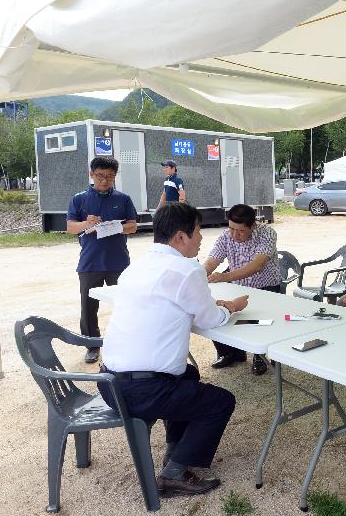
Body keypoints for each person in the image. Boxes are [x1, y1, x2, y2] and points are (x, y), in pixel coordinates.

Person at [99, 202, 247, 496]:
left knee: (188, 375)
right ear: (180, 236)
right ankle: (174, 472)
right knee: (220, 401)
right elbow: (211, 319)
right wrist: (231, 306)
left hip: (109, 383)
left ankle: (173, 449)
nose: (201, 238)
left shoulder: (135, 267)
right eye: (197, 232)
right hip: (143, 392)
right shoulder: (186, 270)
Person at [66, 157, 138, 364]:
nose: (105, 181)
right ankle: (92, 345)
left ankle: (127, 341)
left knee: (126, 303)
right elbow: (71, 227)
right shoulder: (79, 199)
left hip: (119, 262)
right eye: (100, 176)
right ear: (91, 174)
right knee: (88, 307)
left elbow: (132, 226)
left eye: (110, 177)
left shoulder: (123, 199)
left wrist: (113, 227)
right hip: (90, 263)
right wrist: (85, 224)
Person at [202, 204, 279, 375]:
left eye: (240, 231)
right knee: (220, 315)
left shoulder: (267, 233)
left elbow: (257, 265)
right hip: (237, 287)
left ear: (253, 226)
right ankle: (230, 353)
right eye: (231, 229)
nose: (234, 235)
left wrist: (224, 277)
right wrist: (197, 278)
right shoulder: (226, 236)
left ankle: (260, 356)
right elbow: (211, 262)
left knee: (261, 324)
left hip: (266, 287)